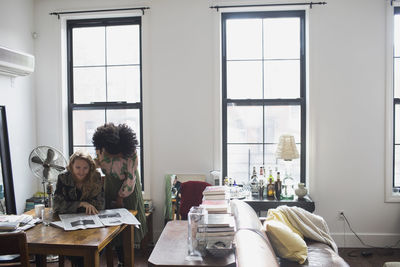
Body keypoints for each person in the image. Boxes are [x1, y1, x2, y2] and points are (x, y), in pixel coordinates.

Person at [92, 123, 147, 266]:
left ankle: (125, 261)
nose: (118, 156)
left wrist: (120, 198)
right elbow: (97, 164)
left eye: (120, 154)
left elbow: (131, 178)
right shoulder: (101, 148)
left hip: (128, 188)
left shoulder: (130, 152)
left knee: (126, 226)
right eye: (114, 155)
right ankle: (119, 259)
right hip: (110, 185)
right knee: (112, 226)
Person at [53, 151, 104, 267]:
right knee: (74, 249)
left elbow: (100, 204)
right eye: (78, 167)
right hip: (68, 225)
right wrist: (82, 204)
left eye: (85, 168)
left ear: (90, 168)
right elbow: (57, 205)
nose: (81, 171)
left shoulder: (95, 177)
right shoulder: (63, 178)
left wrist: (70, 206)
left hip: (91, 223)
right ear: (71, 166)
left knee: (95, 247)